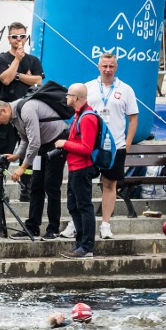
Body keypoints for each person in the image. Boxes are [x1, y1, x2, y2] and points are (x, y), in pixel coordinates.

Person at [62, 53, 138, 240]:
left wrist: (127, 144)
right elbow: (78, 112)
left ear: (116, 67)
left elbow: (133, 117)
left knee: (109, 183)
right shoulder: (88, 87)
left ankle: (105, 224)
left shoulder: (126, 89)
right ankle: (74, 223)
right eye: (104, 66)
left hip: (115, 145)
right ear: (98, 66)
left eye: (111, 66)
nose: (108, 70)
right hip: (91, 144)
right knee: (81, 184)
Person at [0, 95, 68, 241]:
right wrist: (17, 156)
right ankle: (32, 227)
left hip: (56, 142)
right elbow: (25, 138)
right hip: (41, 146)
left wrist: (23, 167)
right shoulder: (14, 117)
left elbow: (34, 142)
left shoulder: (26, 110)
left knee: (51, 186)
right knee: (36, 187)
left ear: (4, 110)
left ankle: (53, 229)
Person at [0, 22, 44, 201]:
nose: (18, 39)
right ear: (9, 38)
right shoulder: (2, 59)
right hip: (6, 114)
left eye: (22, 36)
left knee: (28, 149)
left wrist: (18, 76)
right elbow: (5, 79)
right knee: (1, 152)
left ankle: (26, 189)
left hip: (27, 114)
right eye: (15, 36)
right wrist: (17, 61)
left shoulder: (33, 60)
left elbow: (38, 79)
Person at [54, 84, 98, 259]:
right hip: (74, 168)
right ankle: (80, 244)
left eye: (69, 95)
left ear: (76, 98)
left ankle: (87, 247)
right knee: (73, 206)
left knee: (84, 206)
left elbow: (87, 148)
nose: (66, 97)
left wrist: (65, 144)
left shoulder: (87, 118)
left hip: (82, 168)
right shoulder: (78, 115)